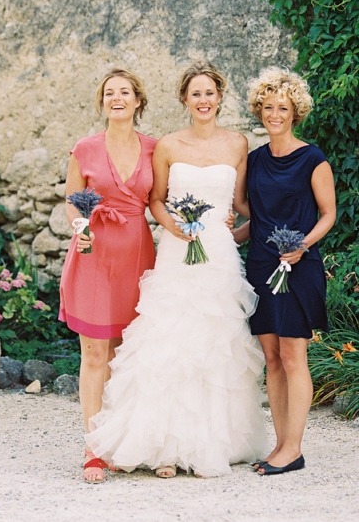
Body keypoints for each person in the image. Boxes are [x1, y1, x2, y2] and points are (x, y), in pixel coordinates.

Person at [85, 61, 268, 478]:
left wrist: (245, 231)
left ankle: (209, 445)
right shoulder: (167, 145)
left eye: (210, 93)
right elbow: (155, 200)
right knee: (169, 343)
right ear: (184, 99)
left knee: (214, 345)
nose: (203, 100)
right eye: (195, 93)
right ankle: (164, 448)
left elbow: (241, 205)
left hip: (218, 258)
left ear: (220, 97)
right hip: (176, 251)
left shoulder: (238, 144)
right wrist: (176, 227)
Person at [58, 68, 157, 483]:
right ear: (102, 102)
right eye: (109, 93)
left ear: (138, 101)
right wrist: (79, 228)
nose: (117, 98)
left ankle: (127, 442)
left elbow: (163, 202)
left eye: (125, 92)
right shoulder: (84, 147)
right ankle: (95, 446)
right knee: (95, 354)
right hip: (93, 254)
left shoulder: (155, 148)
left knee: (127, 355)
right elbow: (71, 202)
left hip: (137, 254)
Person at [237, 67, 335, 476]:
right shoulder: (255, 159)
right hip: (260, 266)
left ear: (296, 112)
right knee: (272, 359)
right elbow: (249, 210)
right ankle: (279, 445)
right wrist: (229, 232)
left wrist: (302, 245)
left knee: (294, 357)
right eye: (268, 106)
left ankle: (293, 449)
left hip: (299, 268)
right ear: (260, 110)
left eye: (283, 107)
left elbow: (329, 214)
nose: (274, 113)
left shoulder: (313, 158)